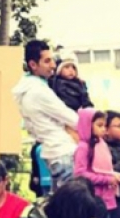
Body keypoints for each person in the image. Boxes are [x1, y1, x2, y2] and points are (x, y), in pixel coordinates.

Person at [13, 39, 80, 191]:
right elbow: (71, 118)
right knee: (72, 208)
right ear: (33, 65)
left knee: (61, 207)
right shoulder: (38, 91)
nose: (53, 66)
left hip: (52, 152)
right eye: (47, 61)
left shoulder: (26, 89)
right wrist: (92, 124)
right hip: (64, 153)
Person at [74, 108, 120, 218]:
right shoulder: (84, 147)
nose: (103, 129)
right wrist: (107, 179)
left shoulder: (101, 144)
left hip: (106, 197)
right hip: (93, 198)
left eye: (104, 126)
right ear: (87, 125)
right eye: (99, 125)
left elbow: (104, 169)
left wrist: (113, 174)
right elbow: (80, 174)